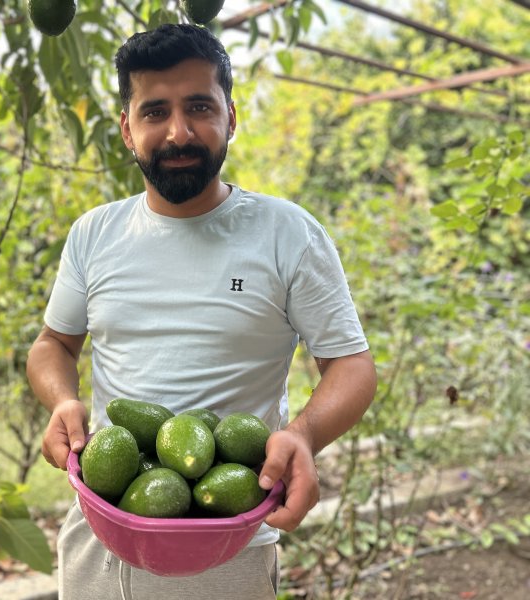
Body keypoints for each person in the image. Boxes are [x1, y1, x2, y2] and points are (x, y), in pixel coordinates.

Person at [26, 22, 377, 600]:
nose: (179, 131)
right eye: (155, 111)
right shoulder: (94, 233)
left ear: (231, 117)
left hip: (229, 538)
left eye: (199, 107)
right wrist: (63, 400)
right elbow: (53, 344)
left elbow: (351, 364)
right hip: (104, 529)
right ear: (126, 129)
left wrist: (304, 437)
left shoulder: (287, 233)